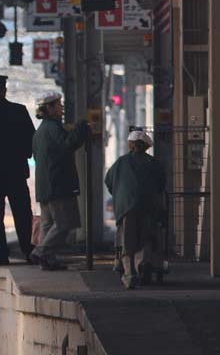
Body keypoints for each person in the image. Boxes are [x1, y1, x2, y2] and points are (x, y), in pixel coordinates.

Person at [0, 74, 36, 264]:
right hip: (16, 172)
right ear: (5, 90)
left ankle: (1, 256)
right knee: (22, 214)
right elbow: (31, 140)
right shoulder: (19, 111)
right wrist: (23, 154)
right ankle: (28, 251)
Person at [30, 92, 90, 270]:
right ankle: (41, 251)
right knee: (65, 223)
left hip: (44, 185)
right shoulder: (53, 128)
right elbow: (67, 145)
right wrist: (80, 130)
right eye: (58, 105)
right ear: (49, 108)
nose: (62, 108)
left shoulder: (40, 131)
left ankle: (48, 260)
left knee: (47, 224)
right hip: (58, 184)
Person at [104, 130, 167, 289]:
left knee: (127, 240)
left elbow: (109, 181)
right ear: (146, 147)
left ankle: (129, 274)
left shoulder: (121, 162)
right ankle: (144, 264)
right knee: (147, 237)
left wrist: (120, 195)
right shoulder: (155, 164)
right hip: (149, 208)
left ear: (130, 145)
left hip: (127, 208)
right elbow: (161, 185)